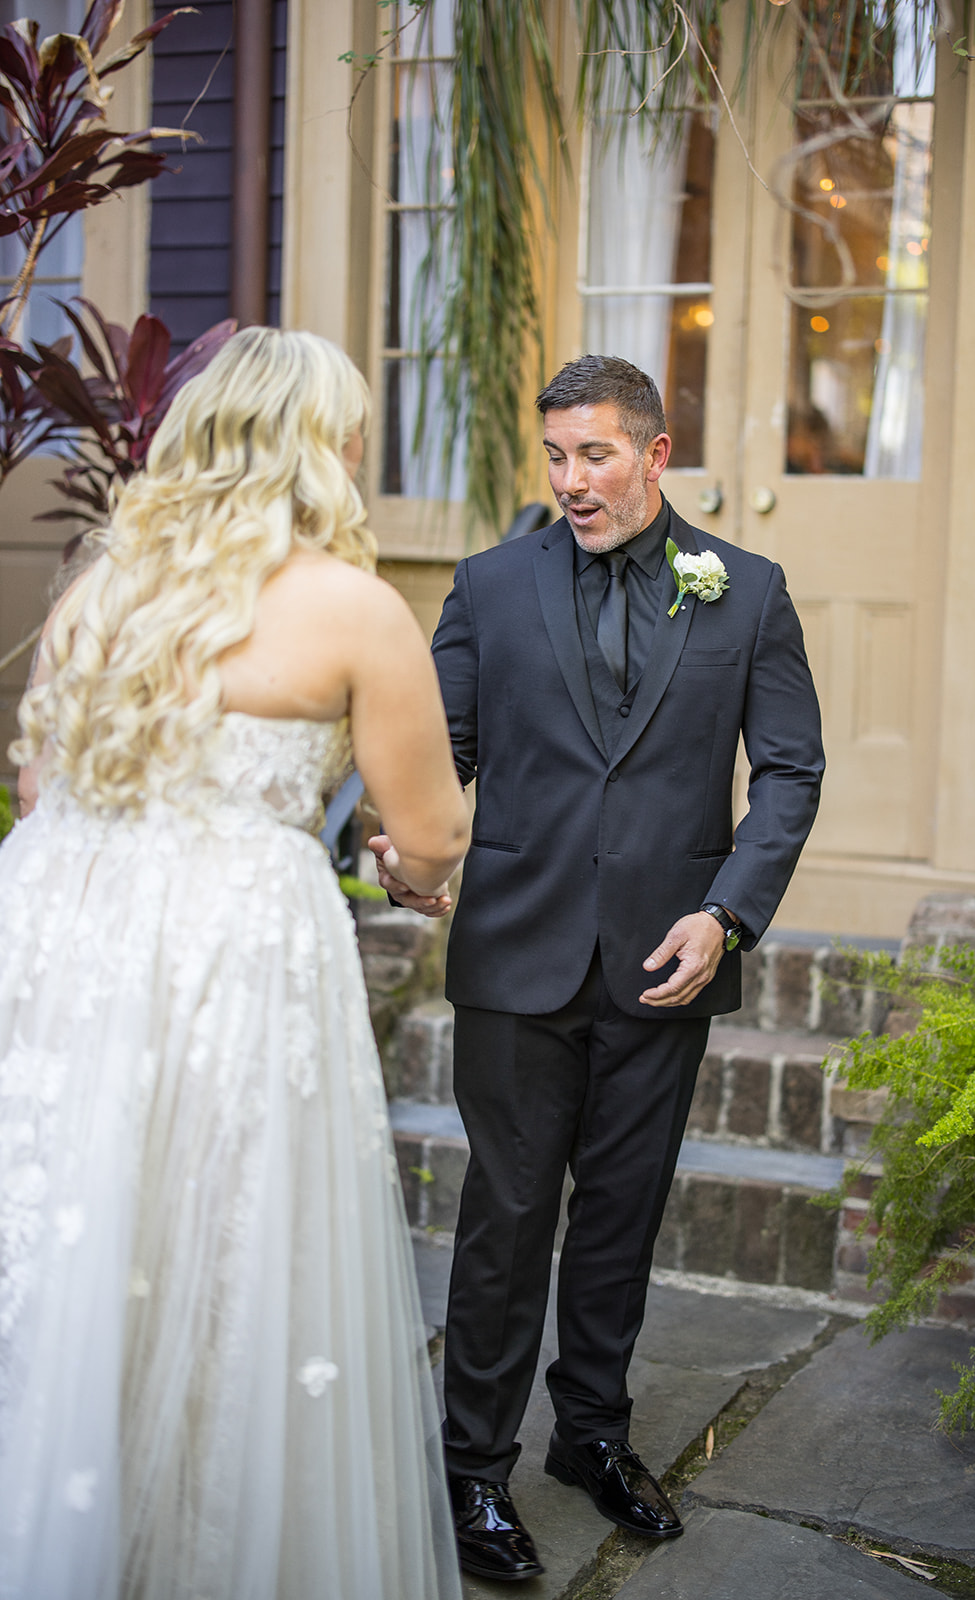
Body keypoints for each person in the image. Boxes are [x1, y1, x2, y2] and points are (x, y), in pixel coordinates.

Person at [0, 328, 470, 1600]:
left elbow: (39, 779)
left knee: (80, 1221)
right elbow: (427, 831)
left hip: (65, 927)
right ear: (323, 446)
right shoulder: (353, 606)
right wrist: (413, 877)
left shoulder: (104, 588)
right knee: (226, 1237)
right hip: (234, 946)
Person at [374, 353, 824, 1582]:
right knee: (507, 1220)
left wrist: (724, 914)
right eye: (555, 456)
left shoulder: (745, 589)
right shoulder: (487, 586)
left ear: (654, 452)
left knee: (622, 1215)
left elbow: (788, 769)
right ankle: (474, 1467)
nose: (571, 481)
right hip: (515, 954)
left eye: (595, 455)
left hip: (662, 957)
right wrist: (394, 849)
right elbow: (435, 757)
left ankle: (589, 1436)